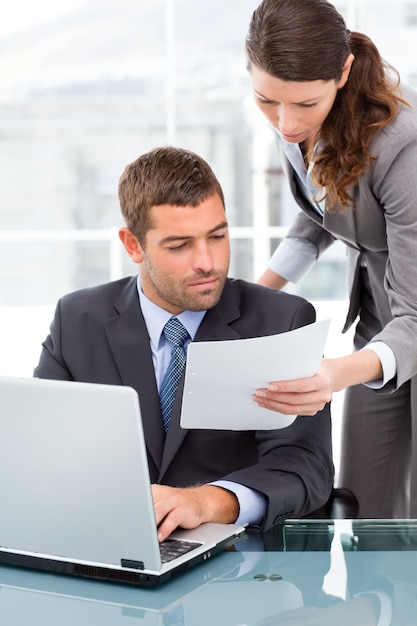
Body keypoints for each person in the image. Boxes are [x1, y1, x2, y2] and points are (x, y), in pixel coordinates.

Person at [33, 146, 333, 540]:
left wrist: (207, 502)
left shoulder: (282, 321)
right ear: (133, 245)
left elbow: (304, 466)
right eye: (179, 246)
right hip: (108, 544)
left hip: (240, 562)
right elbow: (41, 449)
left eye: (218, 235)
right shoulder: (77, 320)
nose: (207, 262)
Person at [245, 0, 417, 518]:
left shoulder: (401, 147)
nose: (286, 123)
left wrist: (332, 374)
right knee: (365, 504)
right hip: (381, 322)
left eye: (304, 104)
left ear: (342, 72)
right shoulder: (292, 111)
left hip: (412, 314)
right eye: (267, 101)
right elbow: (322, 211)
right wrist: (251, 297)